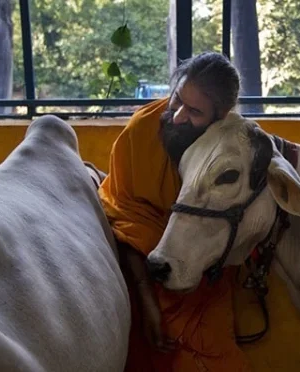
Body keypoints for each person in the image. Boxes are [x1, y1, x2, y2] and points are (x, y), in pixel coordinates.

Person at [98, 51, 251, 372]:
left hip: (201, 283)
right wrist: (146, 299)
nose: (179, 116)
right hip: (138, 270)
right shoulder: (141, 131)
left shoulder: (225, 147)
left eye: (195, 111)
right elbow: (123, 216)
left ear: (220, 117)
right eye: (176, 99)